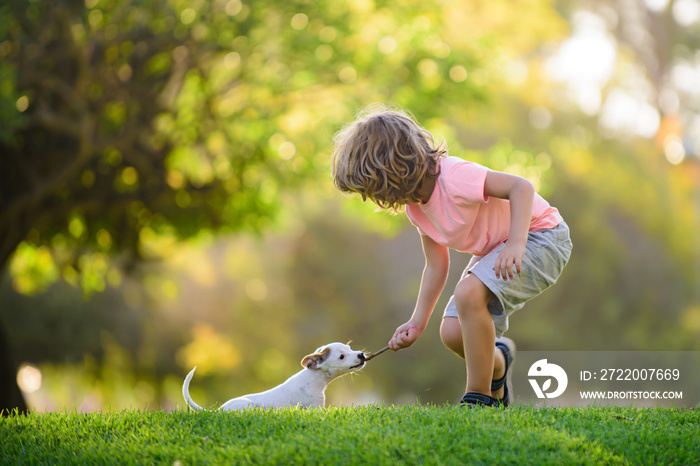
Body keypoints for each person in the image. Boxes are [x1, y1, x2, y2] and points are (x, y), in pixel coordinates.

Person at [331, 107, 572, 407]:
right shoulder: (416, 209)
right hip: (499, 247)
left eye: (375, 188)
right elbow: (435, 266)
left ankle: (478, 397)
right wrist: (416, 323)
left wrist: (516, 243)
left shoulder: (454, 177)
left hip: (542, 235)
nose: (378, 199)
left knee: (469, 293)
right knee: (452, 332)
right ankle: (499, 363)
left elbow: (520, 187)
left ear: (392, 170)